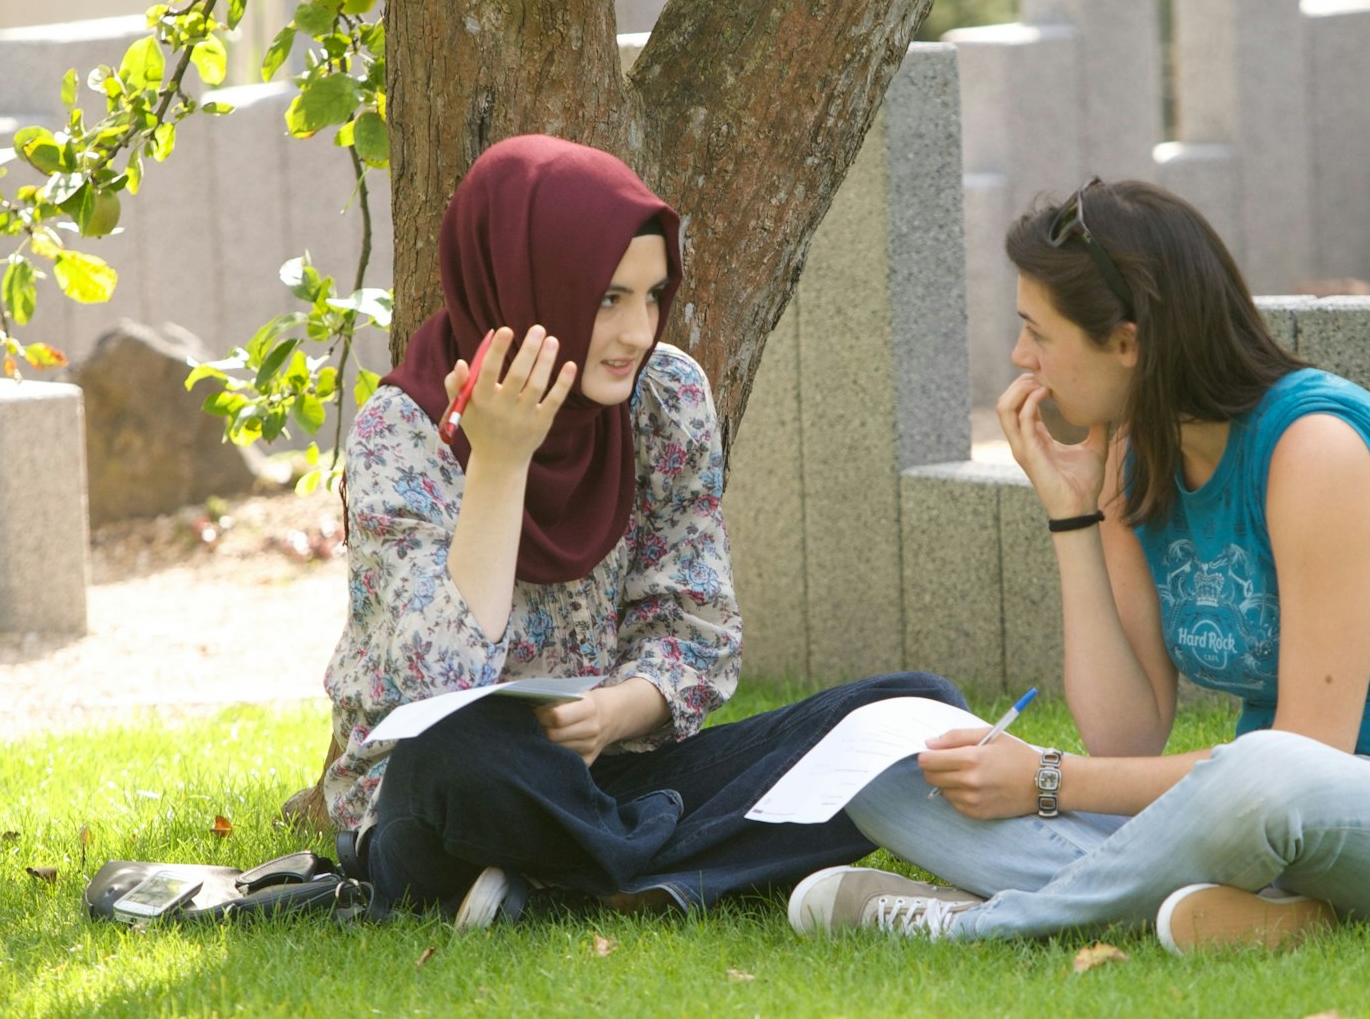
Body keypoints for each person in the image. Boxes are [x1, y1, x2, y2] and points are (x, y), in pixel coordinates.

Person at [787, 179, 1370, 951]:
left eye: (1037, 333)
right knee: (890, 768)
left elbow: (1312, 754)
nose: (1021, 358)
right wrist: (1074, 513)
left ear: (1127, 342)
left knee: (1267, 772)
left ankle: (982, 922)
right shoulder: (1133, 452)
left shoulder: (1315, 449)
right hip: (1255, 825)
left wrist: (1048, 779)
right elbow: (1126, 735)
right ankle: (1260, 910)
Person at [301, 134, 963, 926]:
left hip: (613, 776)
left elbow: (698, 628)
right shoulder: (400, 433)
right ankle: (665, 866)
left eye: (652, 296)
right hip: (450, 790)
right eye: (607, 297)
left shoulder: (666, 396)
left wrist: (616, 712)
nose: (637, 331)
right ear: (529, 282)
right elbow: (432, 689)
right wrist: (502, 462)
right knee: (458, 759)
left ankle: (570, 875)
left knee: (914, 715)